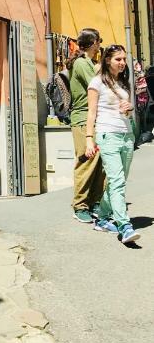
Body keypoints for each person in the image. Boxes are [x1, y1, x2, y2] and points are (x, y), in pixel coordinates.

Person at [85, 45, 140, 246]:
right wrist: (89, 138)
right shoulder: (96, 82)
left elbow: (125, 111)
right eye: (118, 59)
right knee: (117, 181)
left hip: (127, 135)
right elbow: (91, 112)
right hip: (107, 135)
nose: (122, 63)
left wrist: (130, 108)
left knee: (120, 180)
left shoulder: (122, 83)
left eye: (124, 59)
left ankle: (100, 218)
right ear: (107, 60)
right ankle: (124, 226)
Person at [68, 28, 104, 223]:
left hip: (94, 118)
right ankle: (80, 205)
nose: (100, 45)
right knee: (87, 160)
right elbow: (97, 84)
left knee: (100, 163)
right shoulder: (82, 63)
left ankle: (94, 202)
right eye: (99, 41)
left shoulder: (90, 62)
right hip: (83, 119)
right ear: (93, 43)